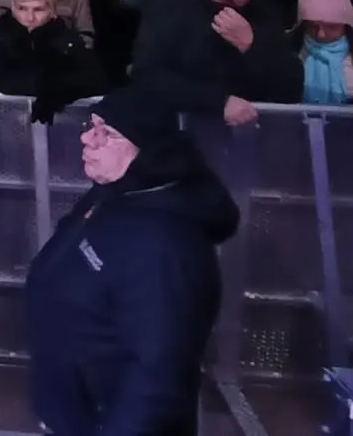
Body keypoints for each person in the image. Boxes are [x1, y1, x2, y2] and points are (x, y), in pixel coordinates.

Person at [26, 85, 238, 436]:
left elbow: (158, 374)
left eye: (107, 134)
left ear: (147, 149)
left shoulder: (166, 244)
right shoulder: (115, 194)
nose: (87, 139)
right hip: (76, 414)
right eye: (92, 126)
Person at [130, 0, 300, 125]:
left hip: (245, 131)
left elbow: (290, 90)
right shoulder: (168, 10)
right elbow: (147, 75)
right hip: (171, 127)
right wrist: (218, 102)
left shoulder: (264, 22)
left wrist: (252, 46)